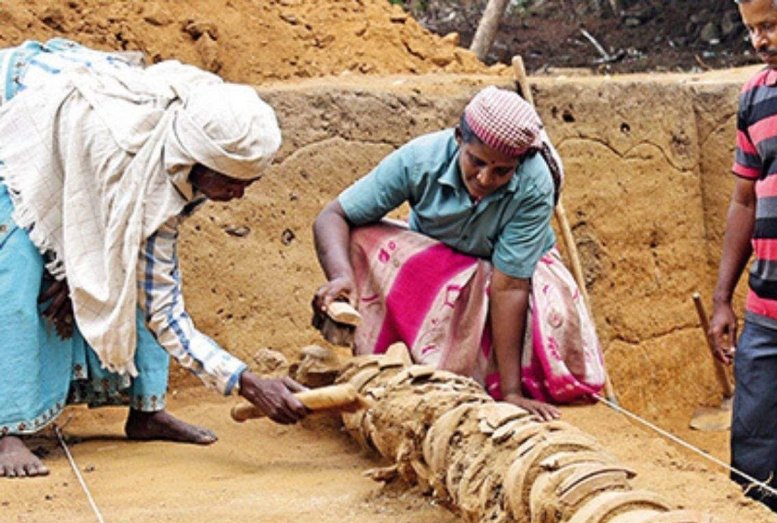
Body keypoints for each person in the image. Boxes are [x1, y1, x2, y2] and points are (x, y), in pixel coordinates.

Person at [0, 39, 308, 479]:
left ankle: (146, 412)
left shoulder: (179, 164)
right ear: (199, 161)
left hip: (80, 142)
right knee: (15, 269)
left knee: (129, 276)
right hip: (21, 119)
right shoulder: (123, 151)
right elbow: (70, 204)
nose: (238, 195)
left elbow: (158, 300)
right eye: (231, 182)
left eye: (249, 183)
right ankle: (6, 430)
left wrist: (81, 277)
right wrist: (247, 383)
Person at [312, 86, 606, 421]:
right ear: (457, 140)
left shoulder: (536, 183)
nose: (484, 178)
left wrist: (510, 392)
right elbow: (333, 216)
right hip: (438, 267)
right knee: (361, 237)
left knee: (550, 309)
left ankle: (484, 374)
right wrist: (341, 276)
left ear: (519, 165)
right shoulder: (419, 159)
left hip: (513, 276)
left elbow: (509, 285)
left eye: (501, 171)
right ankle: (389, 356)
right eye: (476, 162)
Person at [708, 0, 777, 513]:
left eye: (768, 25)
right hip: (768, 315)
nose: (757, 40)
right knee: (751, 461)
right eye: (751, 28)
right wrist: (722, 298)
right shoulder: (755, 95)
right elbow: (744, 200)